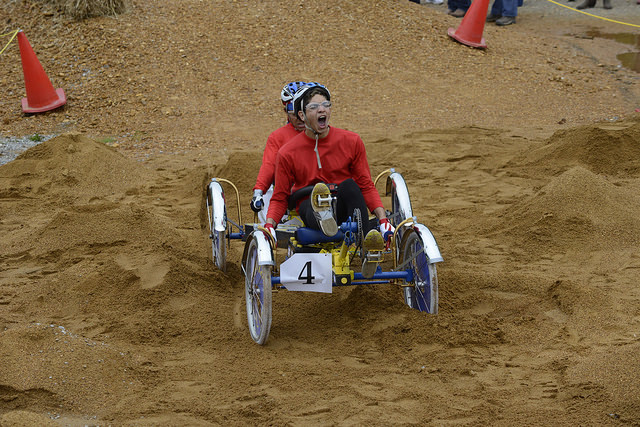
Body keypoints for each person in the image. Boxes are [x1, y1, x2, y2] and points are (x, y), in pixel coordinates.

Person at [263, 83, 394, 277]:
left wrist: (383, 220)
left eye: (326, 104)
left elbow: (366, 185)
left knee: (351, 185)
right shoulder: (287, 152)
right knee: (312, 201)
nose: (321, 109)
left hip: (342, 204)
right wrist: (269, 225)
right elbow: (280, 196)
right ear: (302, 115)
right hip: (307, 204)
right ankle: (323, 214)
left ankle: (368, 250)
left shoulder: (352, 141)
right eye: (314, 107)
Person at [250, 81, 307, 223]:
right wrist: (259, 191)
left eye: (303, 113)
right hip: (288, 191)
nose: (300, 119)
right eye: (295, 114)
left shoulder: (322, 133)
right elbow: (269, 165)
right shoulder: (277, 137)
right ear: (286, 112)